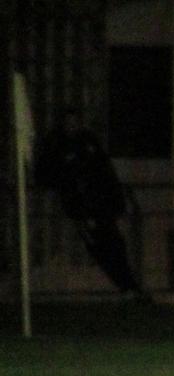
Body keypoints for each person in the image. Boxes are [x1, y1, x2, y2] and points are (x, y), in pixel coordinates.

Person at [36, 108, 146, 298]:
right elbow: (47, 175)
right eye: (68, 123)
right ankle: (126, 285)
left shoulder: (88, 142)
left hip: (101, 205)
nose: (72, 127)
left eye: (75, 122)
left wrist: (116, 200)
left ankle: (129, 285)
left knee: (115, 244)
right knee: (100, 247)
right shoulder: (57, 145)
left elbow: (105, 172)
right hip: (81, 208)